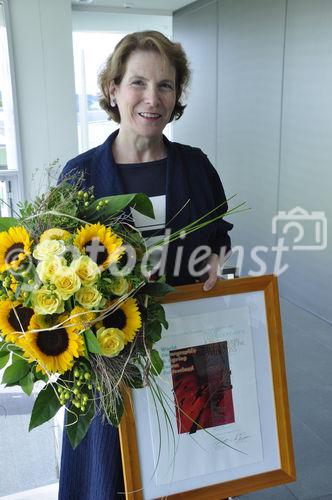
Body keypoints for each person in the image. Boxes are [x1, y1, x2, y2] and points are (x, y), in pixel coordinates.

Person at [58, 30, 233, 500]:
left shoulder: (197, 167)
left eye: (166, 86)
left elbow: (220, 237)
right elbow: (55, 267)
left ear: (177, 96)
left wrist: (215, 260)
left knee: (192, 471)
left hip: (189, 351)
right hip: (109, 360)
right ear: (113, 89)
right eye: (138, 83)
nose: (152, 99)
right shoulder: (80, 175)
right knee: (111, 477)